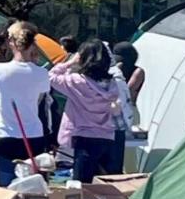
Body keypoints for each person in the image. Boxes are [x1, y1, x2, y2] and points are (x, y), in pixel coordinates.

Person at [0, 21, 52, 191]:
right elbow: (38, 101)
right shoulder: (42, 73)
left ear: (12, 42)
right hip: (34, 134)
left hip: (7, 134)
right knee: (31, 189)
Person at [50, 39, 119, 183]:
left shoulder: (77, 82)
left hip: (83, 137)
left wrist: (69, 62)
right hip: (106, 137)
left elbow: (51, 77)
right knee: (103, 186)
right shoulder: (112, 85)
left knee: (81, 186)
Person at [108, 42, 144, 174]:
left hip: (130, 109)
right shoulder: (113, 70)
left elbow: (128, 90)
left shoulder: (138, 71)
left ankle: (131, 173)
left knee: (129, 149)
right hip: (115, 109)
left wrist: (118, 75)